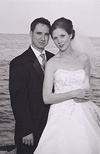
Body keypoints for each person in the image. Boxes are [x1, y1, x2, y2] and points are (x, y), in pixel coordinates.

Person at [34, 17, 100, 154]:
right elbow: (46, 98)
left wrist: (88, 94)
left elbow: (88, 88)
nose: (59, 41)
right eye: (55, 38)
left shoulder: (84, 59)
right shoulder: (52, 63)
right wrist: (73, 93)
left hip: (83, 114)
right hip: (60, 116)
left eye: (62, 36)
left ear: (71, 35)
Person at [9, 17, 54, 154]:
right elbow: (18, 101)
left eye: (46, 34)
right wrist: (26, 130)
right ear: (31, 34)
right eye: (39, 33)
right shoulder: (18, 63)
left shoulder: (54, 59)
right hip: (30, 131)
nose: (43, 38)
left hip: (52, 127)